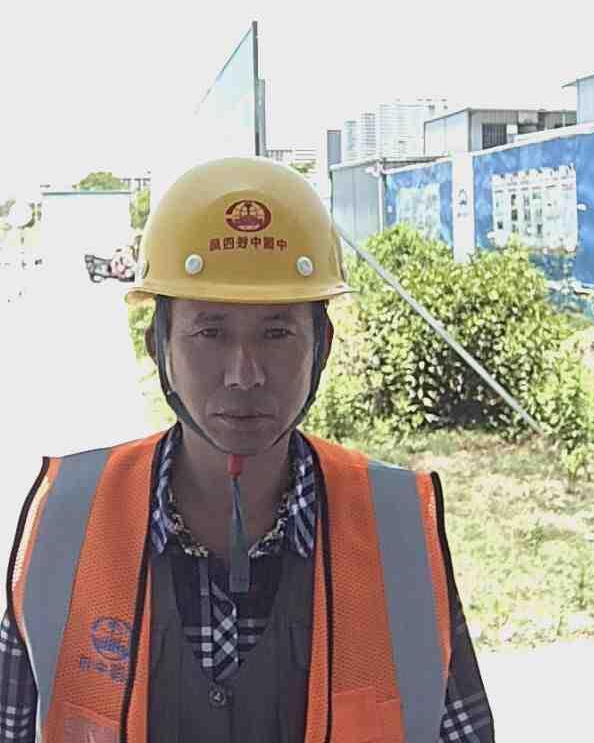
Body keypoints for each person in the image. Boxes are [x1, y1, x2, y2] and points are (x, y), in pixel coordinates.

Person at [1, 157, 494, 742]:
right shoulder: (67, 524)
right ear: (159, 346)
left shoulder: (399, 533)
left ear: (322, 346)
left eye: (276, 333)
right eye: (210, 333)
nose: (244, 374)